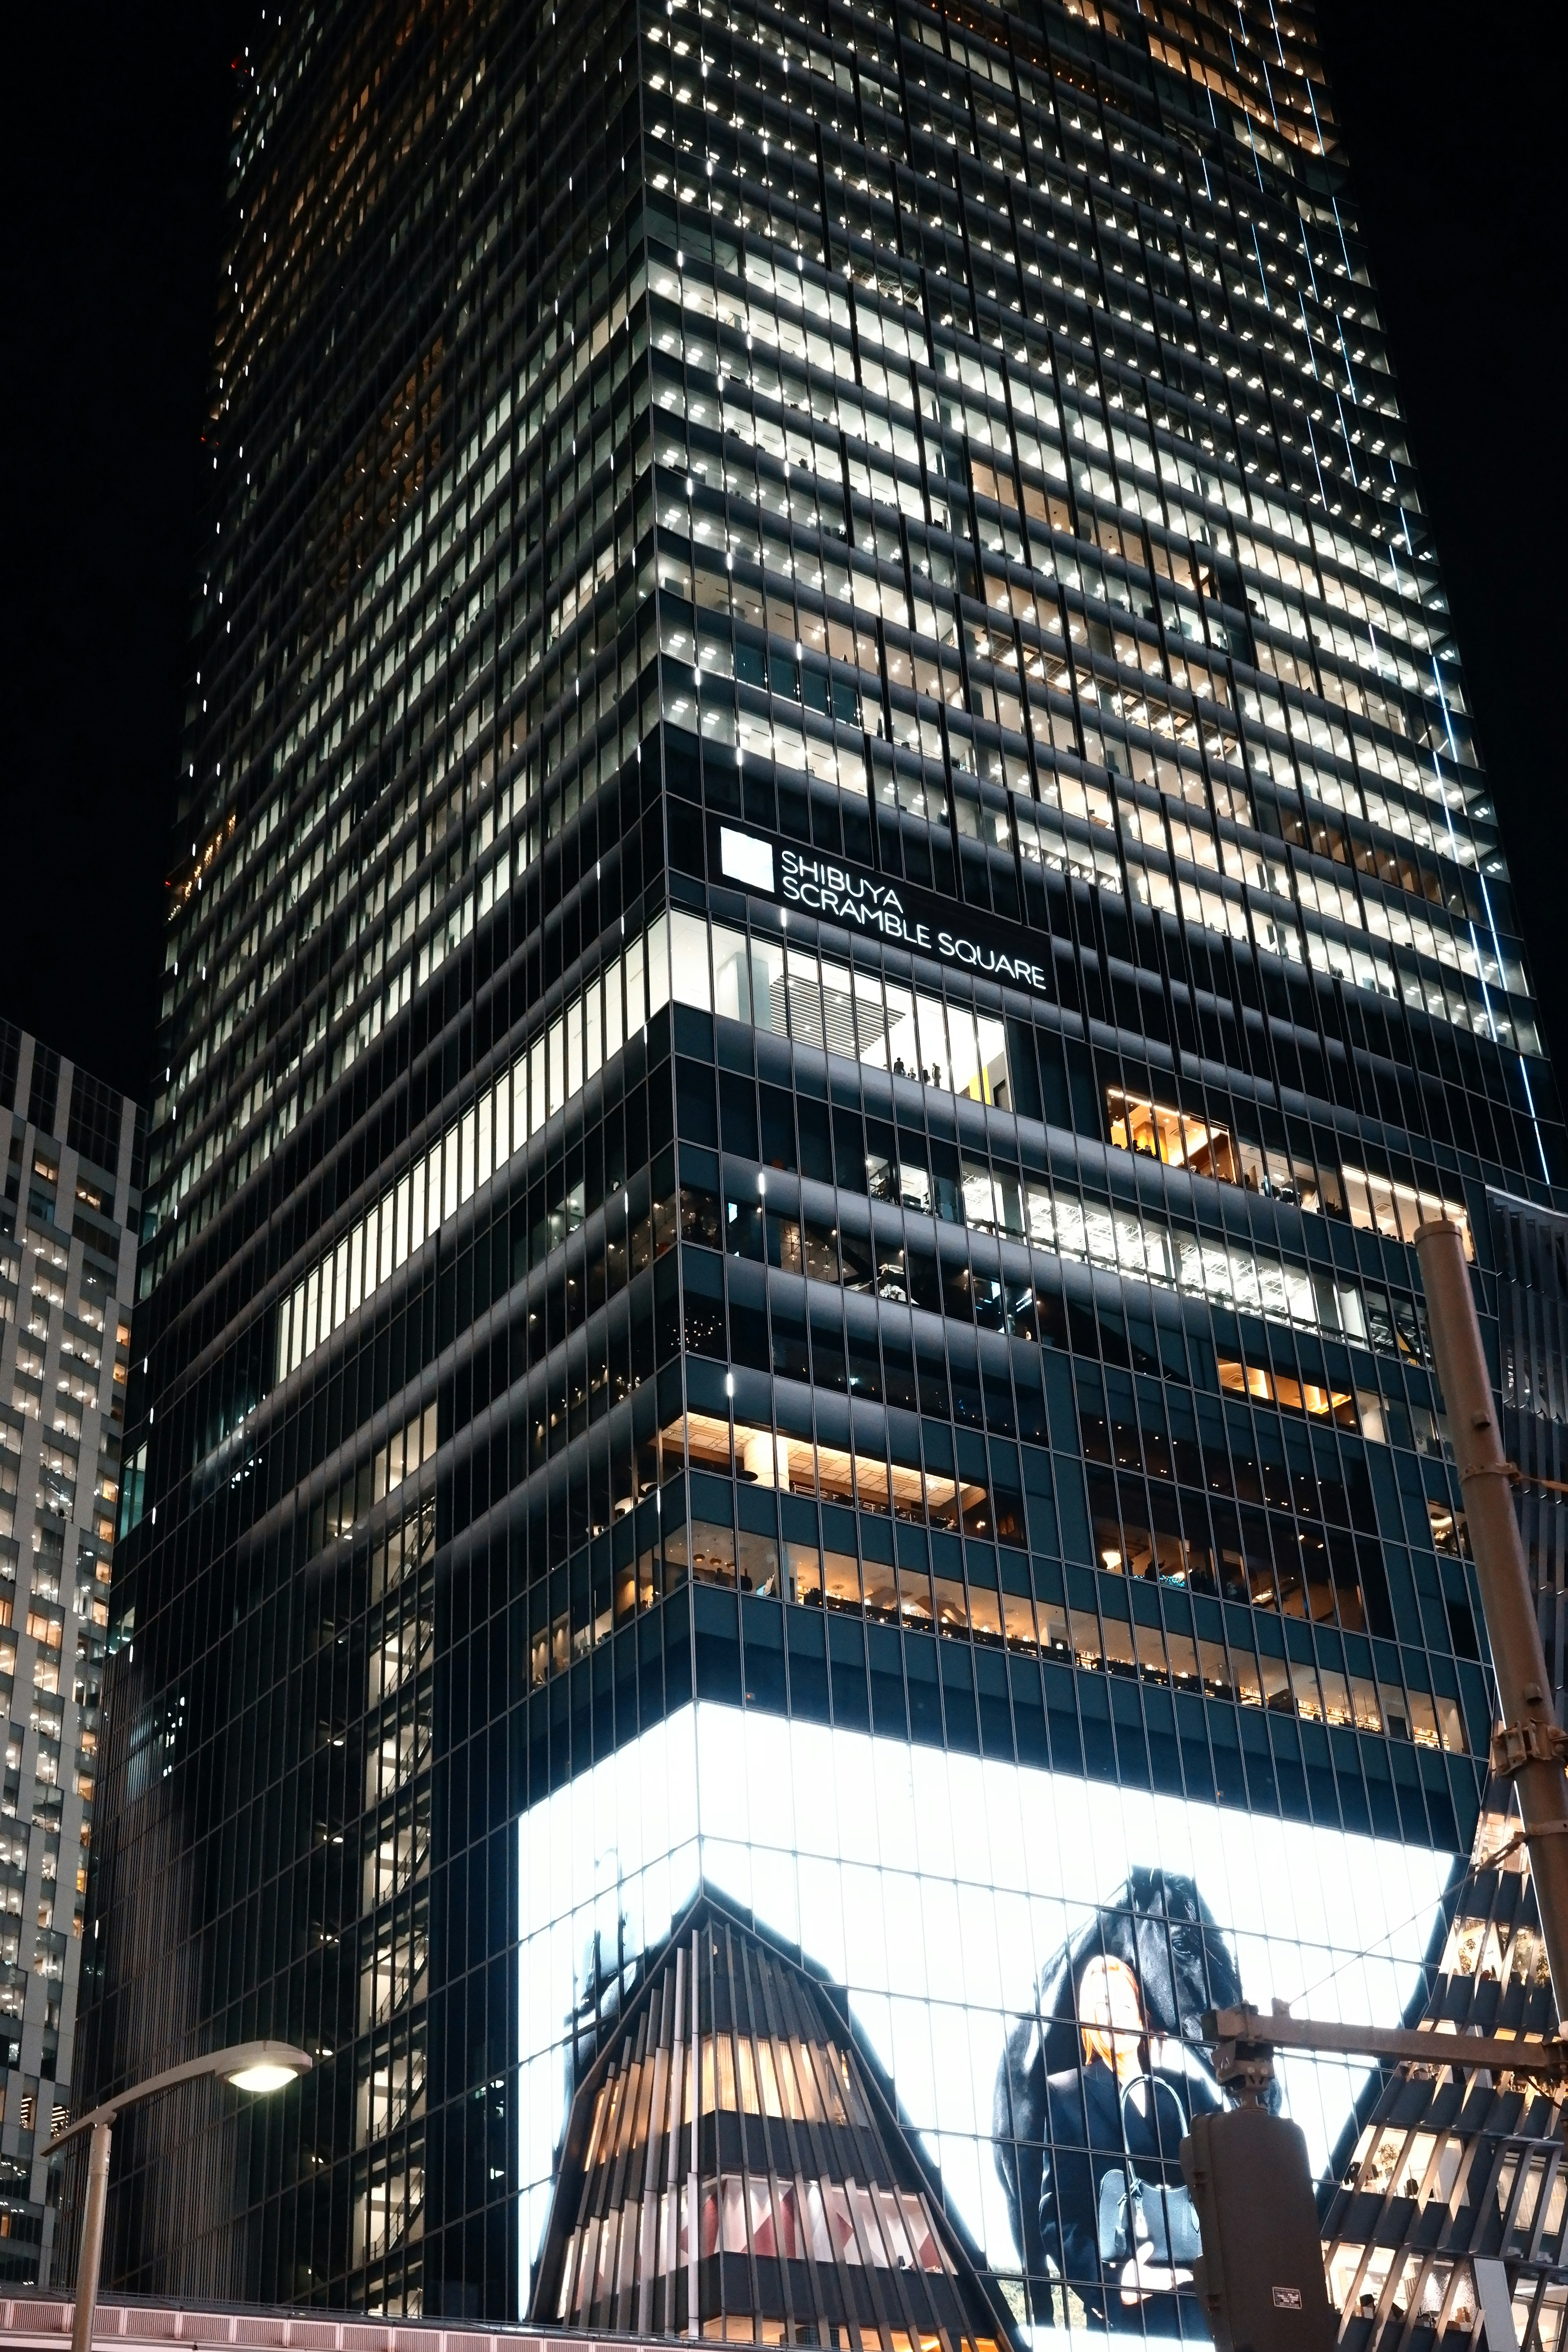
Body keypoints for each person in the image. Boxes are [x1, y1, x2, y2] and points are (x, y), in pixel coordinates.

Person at [1038, 1951, 1225, 2329]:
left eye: (1125, 2003)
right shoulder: (1067, 2095)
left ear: (1141, 2014)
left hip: (1200, 2306)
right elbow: (1059, 2217)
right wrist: (1114, 2284)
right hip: (1131, 2314)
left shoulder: (1187, 2092)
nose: (1117, 2014)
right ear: (1087, 2018)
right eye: (1104, 2004)